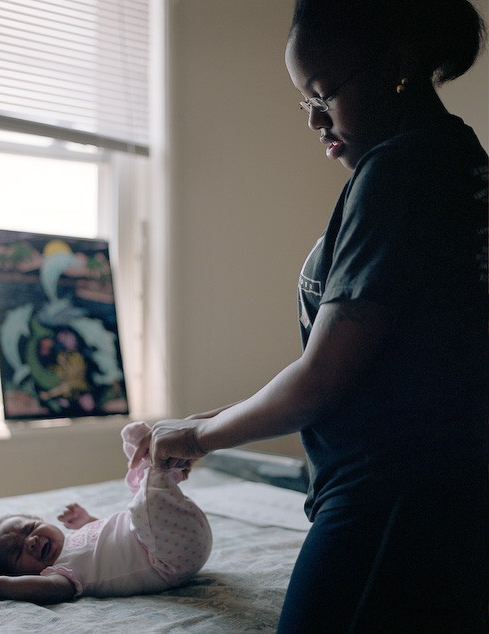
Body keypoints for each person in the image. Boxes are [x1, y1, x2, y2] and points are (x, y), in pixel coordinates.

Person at [131, 1, 488, 631]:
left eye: (323, 93)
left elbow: (321, 382)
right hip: (443, 494)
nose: (315, 119)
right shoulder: (457, 161)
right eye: (305, 101)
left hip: (388, 500)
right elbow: (357, 368)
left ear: (395, 65)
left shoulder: (397, 173)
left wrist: (196, 439)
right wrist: (202, 421)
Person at [0, 422, 211, 604]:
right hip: (167, 558)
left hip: (173, 532)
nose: (31, 540)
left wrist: (87, 521)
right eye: (17, 552)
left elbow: (107, 541)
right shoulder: (59, 574)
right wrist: (0, 584)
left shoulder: (71, 541)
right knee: (143, 504)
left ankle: (155, 467)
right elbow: (50, 592)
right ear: (21, 576)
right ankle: (159, 466)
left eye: (30, 528)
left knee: (143, 504)